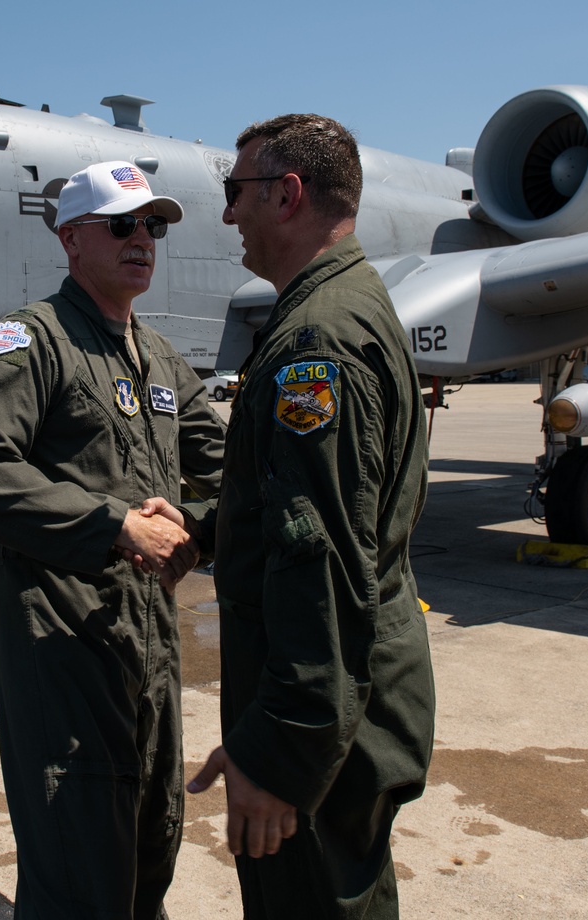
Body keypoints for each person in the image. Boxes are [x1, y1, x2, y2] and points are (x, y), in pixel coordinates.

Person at [0, 160, 226, 919]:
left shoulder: (162, 358)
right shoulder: (29, 343)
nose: (144, 240)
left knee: (150, 848)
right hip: (64, 649)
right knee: (78, 874)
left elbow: (229, 468)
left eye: (154, 226)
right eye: (123, 224)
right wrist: (116, 524)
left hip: (153, 649)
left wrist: (200, 530)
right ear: (72, 239)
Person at [186, 115, 436, 918]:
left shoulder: (315, 344)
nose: (229, 216)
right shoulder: (348, 305)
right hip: (350, 700)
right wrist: (201, 527)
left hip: (324, 724)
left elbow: (318, 559)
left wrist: (282, 754)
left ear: (286, 194)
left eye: (236, 193)